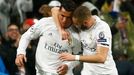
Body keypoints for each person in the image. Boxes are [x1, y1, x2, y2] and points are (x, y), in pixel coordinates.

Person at [15, 0, 81, 75]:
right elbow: (26, 36)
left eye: (68, 17)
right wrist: (20, 52)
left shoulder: (77, 33)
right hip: (42, 72)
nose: (64, 20)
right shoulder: (45, 23)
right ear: (59, 12)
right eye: (62, 16)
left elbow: (79, 55)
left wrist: (68, 66)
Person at [59, 6, 118, 75]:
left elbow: (101, 58)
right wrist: (69, 65)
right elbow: (55, 10)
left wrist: (74, 57)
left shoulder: (101, 29)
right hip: (88, 72)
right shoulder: (82, 25)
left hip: (105, 72)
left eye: (77, 25)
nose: (76, 27)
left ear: (85, 23)